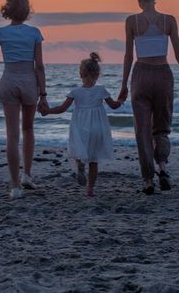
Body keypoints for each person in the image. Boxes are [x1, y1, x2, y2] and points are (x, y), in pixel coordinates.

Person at [117, 0, 179, 195]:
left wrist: (123, 85)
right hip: (163, 75)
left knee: (142, 131)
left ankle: (147, 181)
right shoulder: (168, 20)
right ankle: (162, 167)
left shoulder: (132, 21)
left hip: (141, 75)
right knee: (161, 128)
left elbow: (127, 56)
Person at [0, 0, 48, 199]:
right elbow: (40, 66)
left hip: (9, 80)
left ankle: (16, 186)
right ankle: (27, 174)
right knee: (28, 129)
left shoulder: (0, 34)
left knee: (12, 135)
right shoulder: (34, 33)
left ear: (7, 11)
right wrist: (43, 93)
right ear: (27, 11)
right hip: (28, 81)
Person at [40, 52, 121, 197]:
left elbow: (62, 108)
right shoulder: (101, 90)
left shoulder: (75, 92)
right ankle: (90, 189)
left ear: (80, 74)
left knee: (78, 149)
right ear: (97, 75)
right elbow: (114, 106)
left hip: (80, 126)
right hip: (97, 127)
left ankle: (79, 165)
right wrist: (121, 98)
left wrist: (47, 111)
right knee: (94, 160)